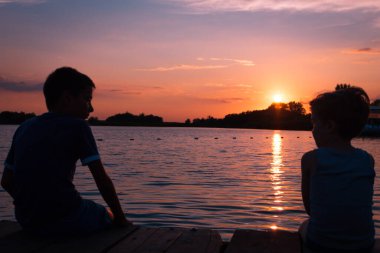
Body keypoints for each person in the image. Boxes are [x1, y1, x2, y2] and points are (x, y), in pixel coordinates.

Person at [1, 67, 131, 236]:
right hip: (66, 217)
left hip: (28, 220)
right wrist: (121, 219)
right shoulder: (78, 126)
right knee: (105, 214)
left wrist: (32, 206)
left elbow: (6, 181)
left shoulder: (25, 127)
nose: (91, 109)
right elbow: (101, 179)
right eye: (87, 99)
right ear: (67, 99)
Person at [299, 86, 375, 252]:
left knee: (304, 226)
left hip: (322, 244)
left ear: (329, 126)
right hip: (364, 245)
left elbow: (310, 209)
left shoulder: (311, 160)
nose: (312, 130)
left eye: (314, 124)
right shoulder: (367, 160)